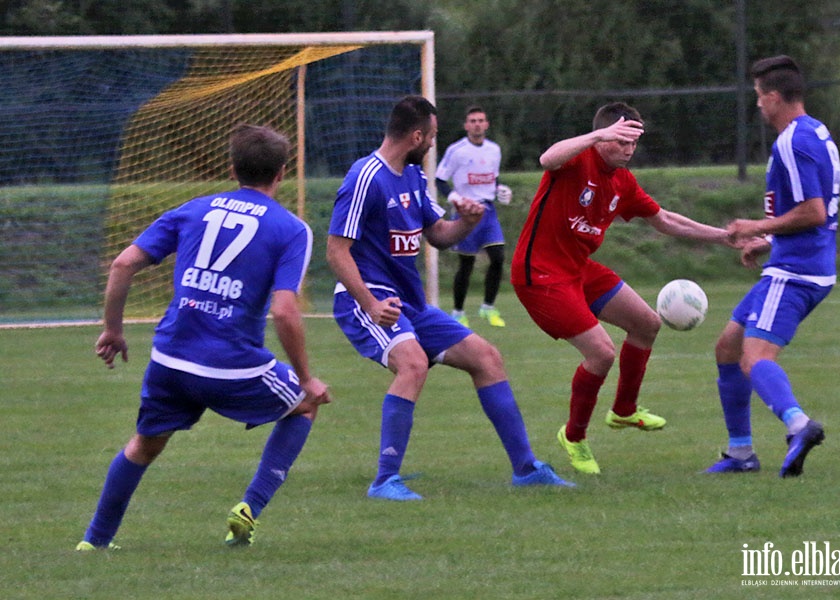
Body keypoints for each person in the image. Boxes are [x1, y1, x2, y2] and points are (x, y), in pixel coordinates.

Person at [76, 124, 330, 550]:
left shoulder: (193, 209)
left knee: (144, 445)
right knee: (304, 405)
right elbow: (284, 311)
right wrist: (306, 377)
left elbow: (122, 265)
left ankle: (94, 542)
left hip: (171, 360)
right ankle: (249, 507)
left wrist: (113, 330)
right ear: (282, 173)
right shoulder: (291, 229)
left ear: (232, 169)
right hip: (231, 363)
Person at [326, 95, 573, 501]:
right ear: (417, 135)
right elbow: (336, 251)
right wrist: (370, 303)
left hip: (411, 303)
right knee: (413, 363)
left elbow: (438, 235)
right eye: (433, 138)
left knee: (487, 358)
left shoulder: (412, 177)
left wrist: (467, 224)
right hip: (367, 300)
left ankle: (526, 469)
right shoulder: (365, 177)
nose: (433, 146)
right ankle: (384, 480)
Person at [511, 102, 734, 475]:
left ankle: (624, 411)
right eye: (623, 140)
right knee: (601, 353)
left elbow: (664, 219)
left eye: (635, 142)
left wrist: (726, 237)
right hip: (540, 274)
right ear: (605, 137)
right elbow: (547, 158)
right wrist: (597, 135)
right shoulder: (576, 160)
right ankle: (575, 436)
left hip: (577, 270)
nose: (630, 149)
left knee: (647, 323)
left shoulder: (622, 182)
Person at [706, 55, 837, 477]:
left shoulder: (791, 142)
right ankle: (741, 453)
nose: (758, 105)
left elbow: (814, 211)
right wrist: (768, 241)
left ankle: (798, 425)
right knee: (727, 346)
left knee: (755, 357)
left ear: (775, 97)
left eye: (760, 97)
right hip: (799, 261)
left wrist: (755, 225)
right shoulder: (816, 131)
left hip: (796, 271)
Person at [435, 106, 513, 327]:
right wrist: (455, 199)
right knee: (466, 264)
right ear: (466, 125)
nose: (477, 124)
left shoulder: (494, 150)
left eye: (481, 120)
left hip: (487, 211)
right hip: (466, 214)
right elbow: (440, 180)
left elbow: (492, 179)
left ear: (486, 124)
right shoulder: (456, 150)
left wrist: (499, 190)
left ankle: (488, 307)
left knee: (497, 257)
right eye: (473, 121)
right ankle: (458, 312)